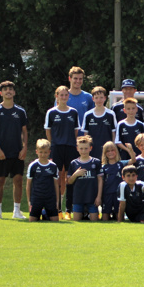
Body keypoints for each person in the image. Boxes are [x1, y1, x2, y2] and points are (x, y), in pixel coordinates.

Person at [0, 80, 29, 220]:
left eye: (10, 89)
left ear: (14, 92)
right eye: (5, 89)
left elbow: (24, 131)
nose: (8, 91)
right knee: (0, 182)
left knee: (18, 180)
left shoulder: (20, 111)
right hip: (1, 153)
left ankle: (16, 211)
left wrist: (24, 147)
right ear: (1, 93)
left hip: (17, 152)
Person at [45, 85, 80, 219]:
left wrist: (73, 143)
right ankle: (57, 208)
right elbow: (48, 131)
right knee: (58, 178)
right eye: (61, 95)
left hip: (71, 147)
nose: (64, 97)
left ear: (68, 97)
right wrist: (52, 146)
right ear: (57, 96)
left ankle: (68, 210)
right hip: (56, 148)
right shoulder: (51, 112)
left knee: (70, 178)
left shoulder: (73, 112)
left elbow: (76, 131)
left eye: (66, 95)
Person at [67, 135, 103, 221]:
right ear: (77, 148)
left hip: (92, 198)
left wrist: (99, 197)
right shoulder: (73, 163)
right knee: (76, 221)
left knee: (94, 221)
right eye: (81, 148)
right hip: (78, 198)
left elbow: (100, 180)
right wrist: (75, 174)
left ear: (90, 148)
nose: (83, 151)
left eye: (86, 148)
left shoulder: (96, 162)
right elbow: (69, 182)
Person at [101, 141, 136, 221]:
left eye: (112, 150)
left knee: (119, 216)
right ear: (105, 153)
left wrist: (130, 149)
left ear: (116, 151)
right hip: (107, 194)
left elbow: (133, 160)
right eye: (108, 151)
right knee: (105, 217)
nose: (110, 152)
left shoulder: (121, 163)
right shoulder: (103, 167)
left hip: (119, 194)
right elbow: (101, 182)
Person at [26, 139, 59, 222]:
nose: (43, 154)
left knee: (55, 221)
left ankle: (45, 214)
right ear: (36, 152)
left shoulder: (53, 166)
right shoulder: (32, 166)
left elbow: (56, 184)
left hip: (50, 198)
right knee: (32, 221)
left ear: (49, 152)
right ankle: (43, 213)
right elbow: (28, 184)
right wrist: (29, 201)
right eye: (41, 152)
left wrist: (57, 201)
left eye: (45, 152)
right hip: (37, 197)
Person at [81, 86, 117, 160]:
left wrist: (113, 148)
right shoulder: (88, 114)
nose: (99, 100)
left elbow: (113, 133)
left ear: (105, 98)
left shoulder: (111, 114)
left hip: (107, 150)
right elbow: (86, 135)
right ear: (93, 99)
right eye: (96, 98)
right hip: (93, 150)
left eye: (101, 97)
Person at [61, 67, 94, 135]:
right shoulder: (63, 97)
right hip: (66, 137)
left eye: (80, 79)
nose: (78, 81)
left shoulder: (89, 97)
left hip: (84, 138)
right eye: (75, 78)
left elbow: (92, 118)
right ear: (70, 79)